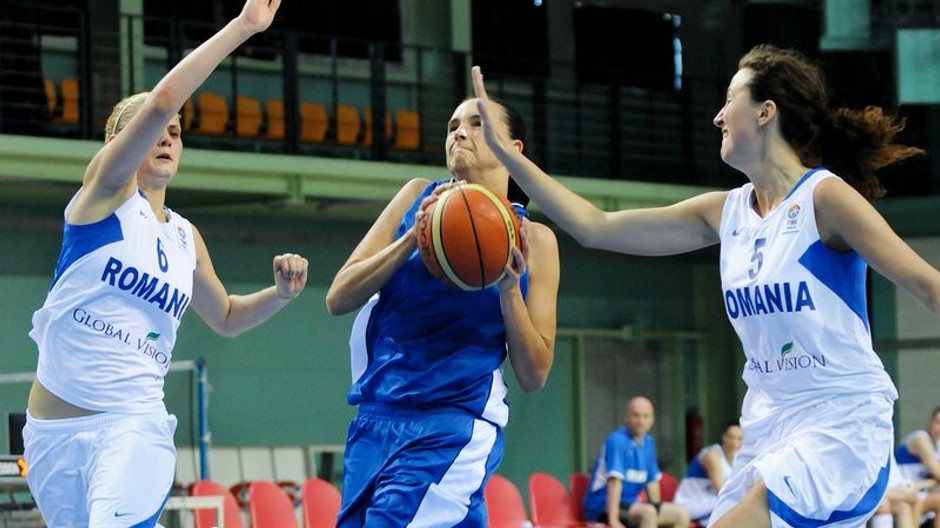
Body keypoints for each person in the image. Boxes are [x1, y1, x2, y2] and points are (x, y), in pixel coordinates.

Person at [472, 40, 939, 527]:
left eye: (730, 100)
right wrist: (510, 160)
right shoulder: (726, 212)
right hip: (768, 425)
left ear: (765, 112)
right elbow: (595, 226)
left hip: (841, 422)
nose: (717, 116)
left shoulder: (825, 199)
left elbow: (928, 286)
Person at [23, 2, 308, 527]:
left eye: (176, 132)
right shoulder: (102, 197)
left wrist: (281, 296)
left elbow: (224, 317)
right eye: (155, 128)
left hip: (134, 427)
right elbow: (165, 98)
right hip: (52, 438)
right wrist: (243, 26)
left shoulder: (185, 237)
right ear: (118, 144)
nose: (167, 136)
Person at [324, 94, 560, 526]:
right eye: (452, 126)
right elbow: (338, 296)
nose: (459, 133)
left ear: (513, 150)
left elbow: (534, 375)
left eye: (476, 124)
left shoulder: (535, 239)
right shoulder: (417, 195)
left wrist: (509, 290)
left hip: (453, 424)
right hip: (376, 419)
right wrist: (413, 239)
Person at [583, 396, 691, 528]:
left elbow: (652, 482)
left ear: (652, 420)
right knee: (648, 514)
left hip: (632, 505)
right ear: (627, 417)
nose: (641, 421)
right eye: (636, 415)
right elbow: (614, 482)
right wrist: (613, 520)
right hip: (603, 506)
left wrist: (657, 507)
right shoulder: (617, 440)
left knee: (681, 513)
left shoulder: (649, 442)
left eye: (646, 416)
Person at [674, 422, 744, 526]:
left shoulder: (737, 457)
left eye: (739, 439)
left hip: (709, 501)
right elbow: (721, 491)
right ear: (723, 437)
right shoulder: (712, 455)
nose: (734, 442)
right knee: (734, 508)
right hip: (692, 502)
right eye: (731, 437)